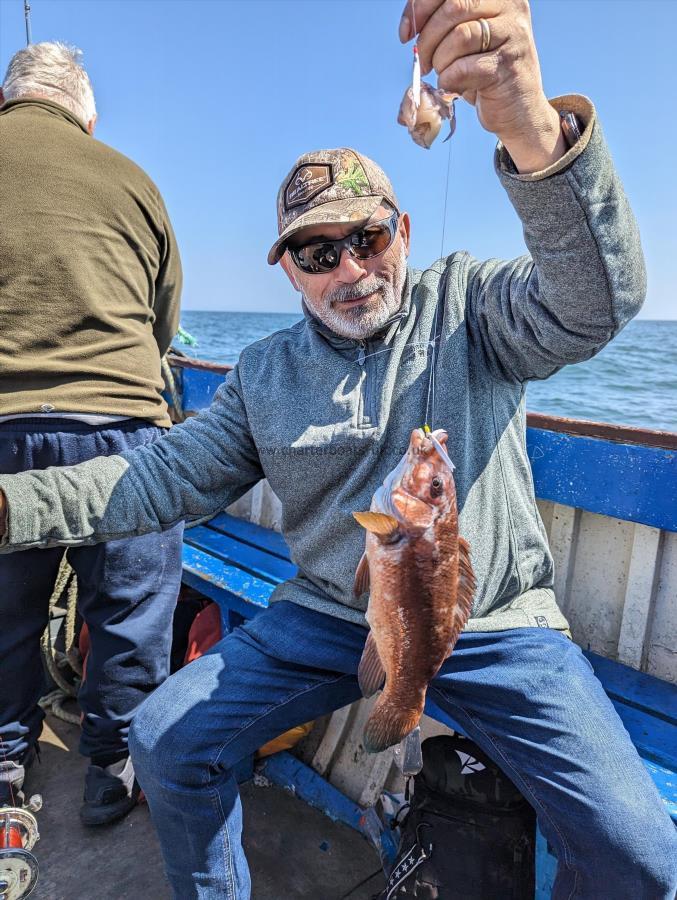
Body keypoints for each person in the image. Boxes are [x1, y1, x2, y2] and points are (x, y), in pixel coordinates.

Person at [0, 1, 676, 896]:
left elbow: (596, 300)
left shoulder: (470, 306)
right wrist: (15, 504)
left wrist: (529, 130)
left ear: (402, 229)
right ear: (285, 267)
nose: (350, 270)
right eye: (318, 253)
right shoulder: (263, 373)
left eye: (366, 238)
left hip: (498, 624)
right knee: (166, 741)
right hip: (325, 614)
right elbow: (161, 475)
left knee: (639, 853)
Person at [0, 42, 184, 826]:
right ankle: (112, 766)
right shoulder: (133, 180)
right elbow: (163, 316)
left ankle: (7, 764)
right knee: (131, 612)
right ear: (85, 113)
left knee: (4, 615)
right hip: (125, 431)